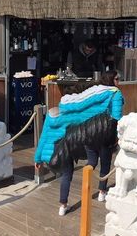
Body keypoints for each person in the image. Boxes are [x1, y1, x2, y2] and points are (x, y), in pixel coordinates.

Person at [38, 72, 123, 217]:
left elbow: (46, 135)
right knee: (106, 163)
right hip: (104, 133)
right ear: (111, 80)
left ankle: (64, 204)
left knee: (89, 164)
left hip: (87, 135)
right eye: (117, 79)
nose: (119, 82)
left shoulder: (89, 94)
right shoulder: (115, 94)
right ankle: (102, 192)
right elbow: (117, 117)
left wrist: (38, 158)